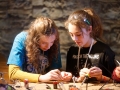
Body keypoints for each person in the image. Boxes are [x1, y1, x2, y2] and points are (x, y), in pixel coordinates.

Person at [7, 16, 72, 83]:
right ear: (35, 39)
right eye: (44, 43)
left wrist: (61, 75)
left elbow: (54, 70)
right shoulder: (21, 39)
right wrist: (41, 77)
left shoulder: (54, 43)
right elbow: (13, 73)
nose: (48, 46)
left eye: (51, 42)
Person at [64, 8, 116, 82]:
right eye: (71, 34)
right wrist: (79, 78)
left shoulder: (105, 52)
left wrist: (101, 77)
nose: (74, 39)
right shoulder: (72, 50)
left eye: (78, 34)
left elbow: (115, 82)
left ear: (89, 29)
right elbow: (69, 79)